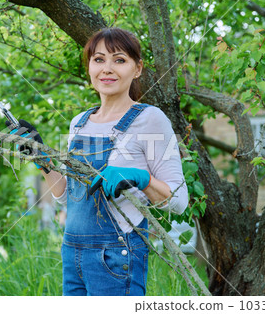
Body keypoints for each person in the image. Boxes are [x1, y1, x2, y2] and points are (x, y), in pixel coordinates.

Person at [19, 28, 188, 296]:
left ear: (137, 69)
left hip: (116, 257)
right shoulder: (79, 122)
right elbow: (68, 197)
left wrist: (140, 178)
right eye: (99, 59)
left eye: (119, 60)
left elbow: (178, 201)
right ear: (89, 67)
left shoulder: (151, 119)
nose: (107, 68)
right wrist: (43, 161)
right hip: (72, 253)